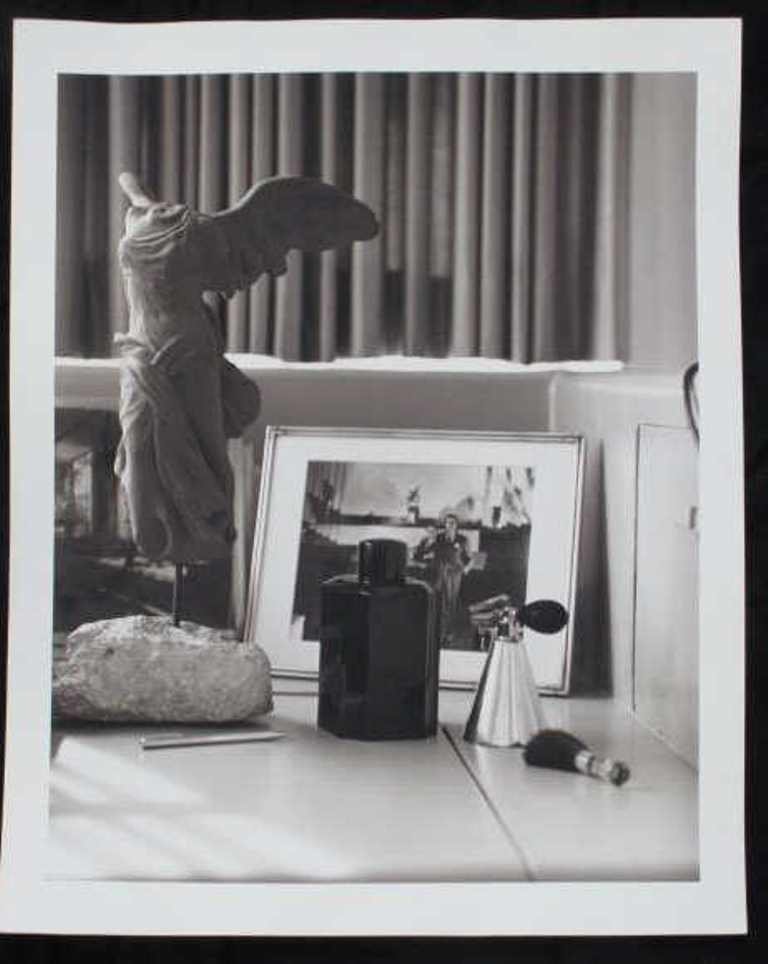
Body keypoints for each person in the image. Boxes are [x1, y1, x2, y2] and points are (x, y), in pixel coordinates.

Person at [415, 514, 471, 646]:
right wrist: (424, 550)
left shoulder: (462, 540)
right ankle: (438, 634)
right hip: (440, 573)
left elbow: (470, 557)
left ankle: (449, 634)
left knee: (452, 603)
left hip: (455, 575)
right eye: (447, 523)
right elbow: (426, 550)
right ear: (444, 525)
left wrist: (466, 569)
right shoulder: (439, 537)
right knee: (439, 602)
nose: (450, 526)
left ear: (457, 525)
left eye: (452, 523)